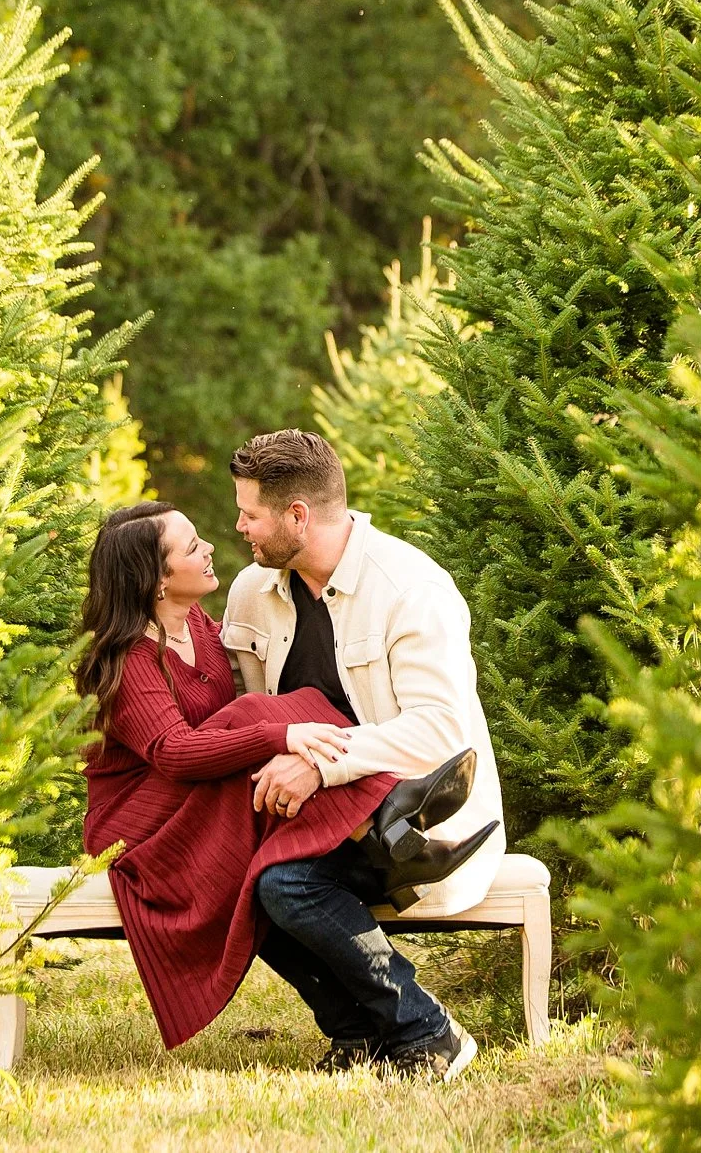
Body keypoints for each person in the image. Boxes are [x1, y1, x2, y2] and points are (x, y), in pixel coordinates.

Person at [77, 502, 484, 1053]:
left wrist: (291, 738)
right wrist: (281, 737)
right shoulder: (128, 659)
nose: (212, 547)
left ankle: (359, 1031)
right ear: (156, 580)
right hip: (139, 825)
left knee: (288, 714)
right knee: (265, 717)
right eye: (192, 546)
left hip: (194, 800)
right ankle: (386, 813)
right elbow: (176, 753)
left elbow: (219, 732)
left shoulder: (198, 626)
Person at [220, 430, 504, 1083]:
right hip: (309, 818)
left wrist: (322, 761)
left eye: (250, 513)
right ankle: (355, 1033)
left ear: (298, 515)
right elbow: (255, 716)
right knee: (229, 874)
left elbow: (440, 731)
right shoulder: (251, 593)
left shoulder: (411, 587)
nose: (239, 526)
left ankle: (426, 1031)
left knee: (284, 883)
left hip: (415, 823)